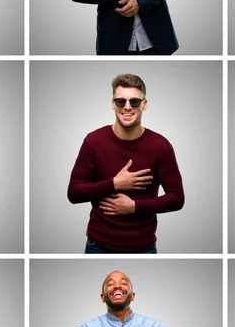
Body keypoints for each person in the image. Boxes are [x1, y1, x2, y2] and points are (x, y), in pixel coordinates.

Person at [67, 73, 184, 253]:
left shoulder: (161, 146)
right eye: (121, 101)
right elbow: (74, 193)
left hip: (144, 246)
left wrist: (134, 207)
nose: (127, 107)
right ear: (113, 104)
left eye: (134, 102)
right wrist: (114, 183)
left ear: (144, 104)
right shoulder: (94, 141)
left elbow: (177, 198)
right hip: (98, 245)